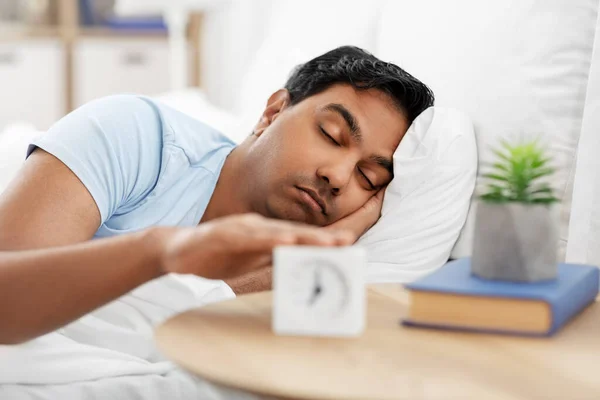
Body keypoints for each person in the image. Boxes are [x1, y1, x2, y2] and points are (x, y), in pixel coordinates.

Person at [0, 46, 434, 345]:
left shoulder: (321, 266)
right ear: (273, 111)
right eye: (331, 134)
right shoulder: (132, 133)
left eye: (370, 177)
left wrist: (321, 254)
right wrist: (162, 250)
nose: (338, 177)